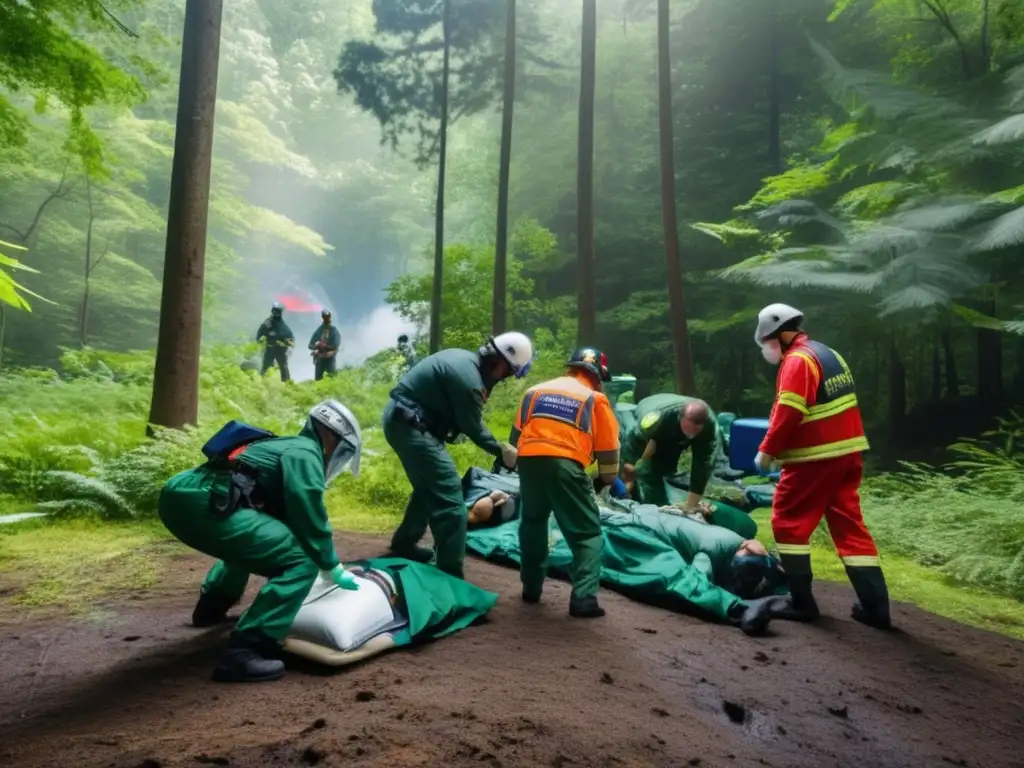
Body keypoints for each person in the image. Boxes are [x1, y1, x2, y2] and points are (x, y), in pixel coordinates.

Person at [158, 399, 364, 683]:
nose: (336, 458)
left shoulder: (286, 445)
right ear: (331, 437)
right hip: (206, 503)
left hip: (182, 494)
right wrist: (331, 566)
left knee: (252, 541)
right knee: (301, 560)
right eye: (341, 451)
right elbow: (310, 513)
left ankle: (211, 607)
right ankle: (247, 650)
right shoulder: (307, 454)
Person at [753, 303, 891, 629]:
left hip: (814, 458)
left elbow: (789, 411)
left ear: (782, 336)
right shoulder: (829, 354)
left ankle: (800, 602)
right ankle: (875, 607)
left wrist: (766, 451)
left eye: (769, 343)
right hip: (847, 453)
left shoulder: (797, 361)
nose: (769, 350)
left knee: (788, 523)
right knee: (849, 527)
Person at [383, 332, 534, 578]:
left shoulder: (464, 360)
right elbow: (473, 427)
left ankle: (404, 543)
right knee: (451, 501)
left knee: (428, 487)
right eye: (507, 373)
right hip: (412, 426)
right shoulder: (470, 380)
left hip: (404, 419)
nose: (504, 379)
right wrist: (503, 450)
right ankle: (449, 574)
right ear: (498, 362)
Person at [510, 347, 620, 618]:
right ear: (598, 376)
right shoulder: (595, 399)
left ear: (571, 367)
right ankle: (583, 599)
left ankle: (531, 588)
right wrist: (604, 480)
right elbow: (608, 451)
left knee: (533, 522)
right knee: (587, 534)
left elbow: (515, 438)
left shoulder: (535, 391)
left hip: (529, 461)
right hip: (566, 464)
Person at [619, 394, 719, 509]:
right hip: (649, 409)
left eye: (694, 433)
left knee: (666, 468)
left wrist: (691, 504)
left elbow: (703, 465)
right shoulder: (656, 417)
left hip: (673, 434)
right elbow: (634, 439)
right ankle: (649, 502)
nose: (691, 436)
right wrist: (629, 467)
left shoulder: (709, 427)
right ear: (680, 418)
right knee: (644, 469)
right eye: (688, 431)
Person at [256, 302, 295, 382]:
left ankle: (287, 383)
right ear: (272, 311)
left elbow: (290, 337)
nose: (276, 313)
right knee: (266, 367)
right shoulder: (267, 324)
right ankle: (262, 382)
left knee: (283, 367)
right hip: (270, 348)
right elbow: (259, 335)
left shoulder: (283, 325)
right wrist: (261, 341)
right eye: (275, 311)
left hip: (281, 350)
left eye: (278, 311)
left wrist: (289, 342)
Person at [309, 308, 341, 381]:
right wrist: (317, 346)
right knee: (318, 380)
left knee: (332, 378)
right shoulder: (319, 330)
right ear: (322, 317)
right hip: (320, 359)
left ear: (330, 316)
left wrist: (326, 347)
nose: (326, 318)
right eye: (325, 316)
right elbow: (310, 345)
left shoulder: (333, 330)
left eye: (328, 316)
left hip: (330, 358)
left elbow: (336, 344)